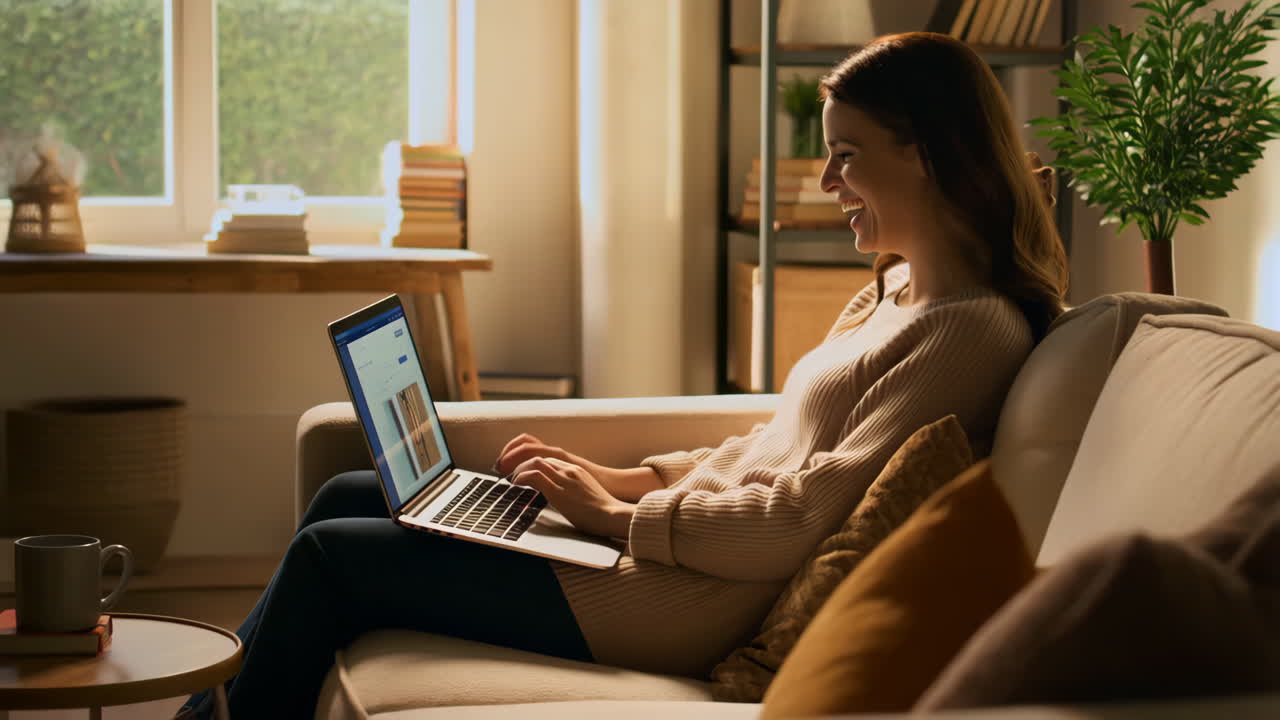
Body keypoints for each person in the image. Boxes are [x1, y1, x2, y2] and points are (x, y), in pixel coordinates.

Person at [178, 31, 1067, 719]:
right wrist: (627, 479)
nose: (830, 181)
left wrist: (616, 518)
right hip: (663, 551)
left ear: (923, 154)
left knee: (333, 561)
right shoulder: (893, 292)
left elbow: (799, 519)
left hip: (685, 601)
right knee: (346, 492)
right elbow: (769, 446)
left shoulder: (971, 334)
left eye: (847, 153)